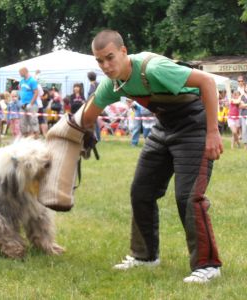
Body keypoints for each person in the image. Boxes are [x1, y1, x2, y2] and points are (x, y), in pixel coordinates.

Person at [70, 30, 223, 283]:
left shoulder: (154, 69)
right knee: (141, 191)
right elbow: (87, 116)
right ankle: (145, 257)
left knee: (188, 197)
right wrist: (68, 136)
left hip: (194, 126)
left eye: (110, 57)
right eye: (99, 61)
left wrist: (213, 132)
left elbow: (207, 82)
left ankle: (208, 266)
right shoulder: (113, 83)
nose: (106, 66)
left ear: (123, 51)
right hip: (164, 128)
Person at [18, 67, 39, 138]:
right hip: (23, 104)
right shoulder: (22, 81)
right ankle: (25, 137)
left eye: (20, 72)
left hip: (31, 104)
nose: (19, 74)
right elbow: (20, 90)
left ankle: (36, 137)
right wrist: (20, 100)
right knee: (22, 121)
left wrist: (31, 104)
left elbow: (36, 93)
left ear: (24, 71)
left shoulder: (32, 81)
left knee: (33, 121)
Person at [87, 71, 101, 141]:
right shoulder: (96, 84)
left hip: (94, 105)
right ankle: (97, 137)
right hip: (95, 105)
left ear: (88, 78)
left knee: (94, 122)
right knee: (94, 122)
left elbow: (92, 96)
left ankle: (97, 138)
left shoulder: (94, 85)